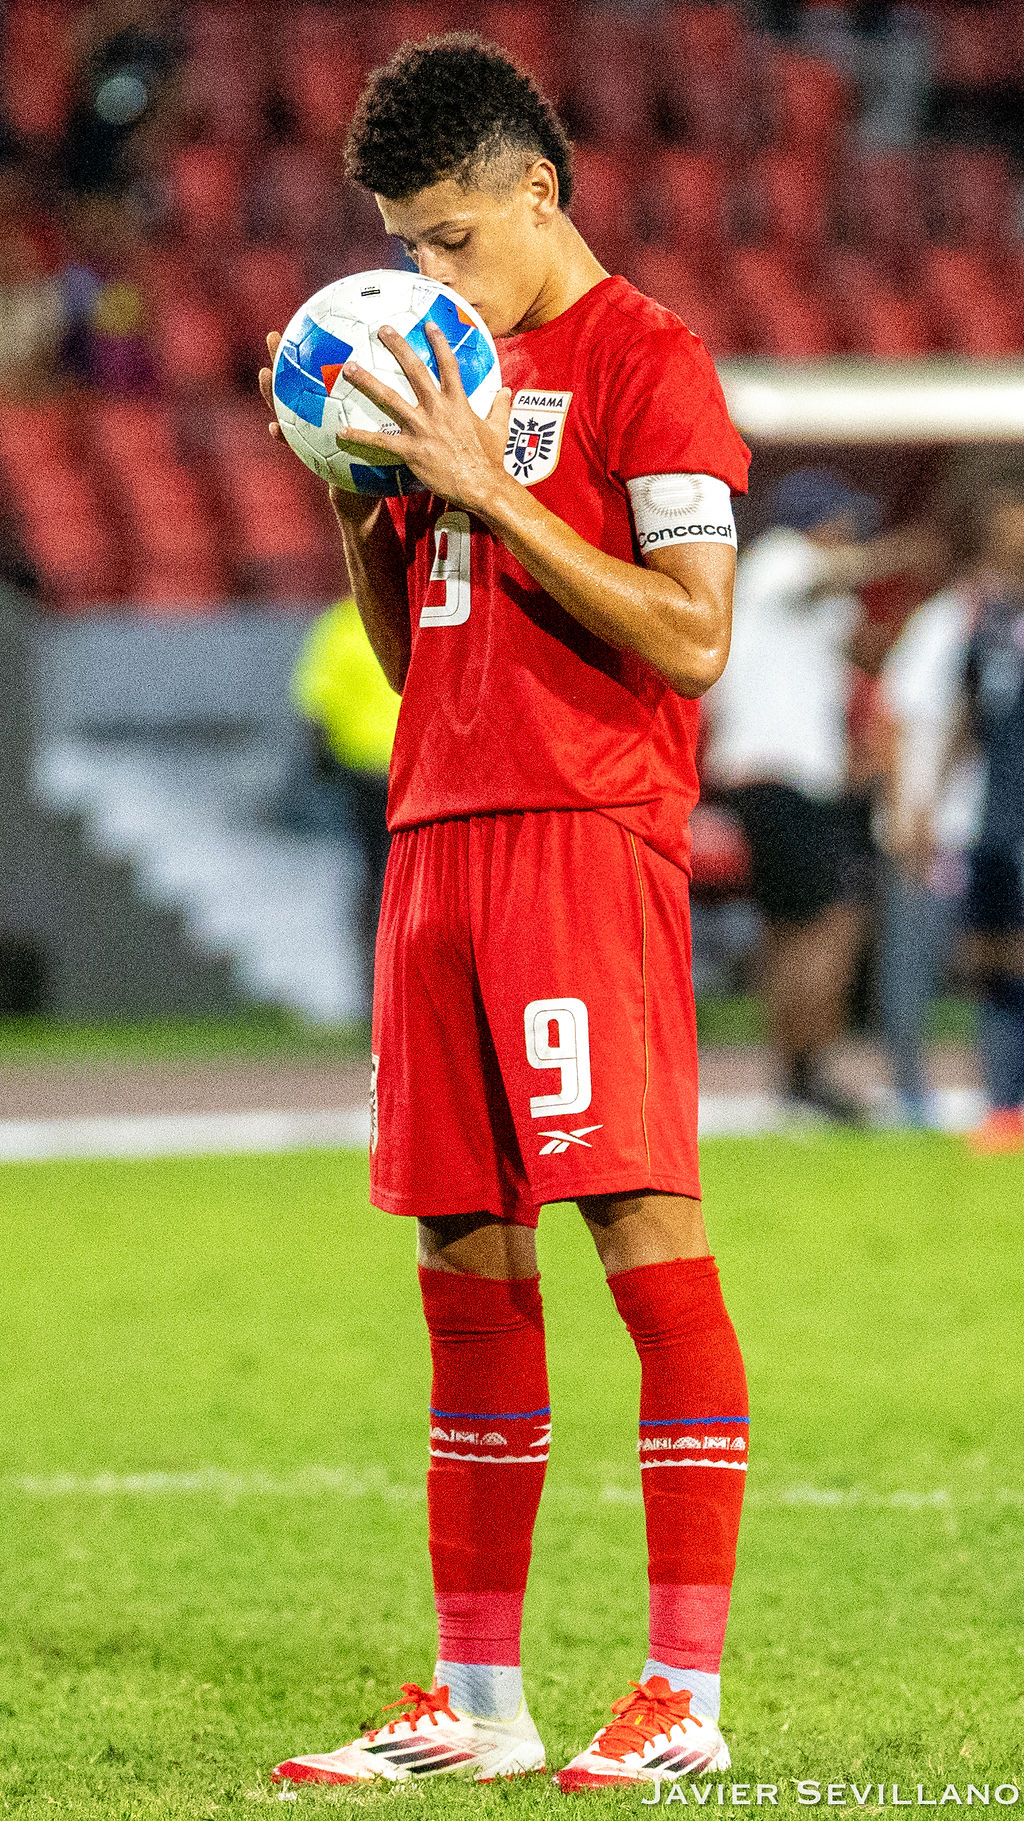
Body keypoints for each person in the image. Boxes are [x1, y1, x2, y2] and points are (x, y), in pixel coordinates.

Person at [259, 33, 751, 1793]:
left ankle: (678, 1696)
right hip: (436, 839)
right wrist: (361, 511)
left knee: (639, 1235)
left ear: (537, 188)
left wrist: (487, 487)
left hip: (581, 836)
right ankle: (478, 1705)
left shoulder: (651, 367)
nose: (422, 274)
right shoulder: (435, 371)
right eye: (402, 242)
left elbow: (690, 638)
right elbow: (415, 669)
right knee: (461, 1268)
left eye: (450, 236)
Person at [702, 467, 934, 1122]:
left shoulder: (806, 594)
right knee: (824, 924)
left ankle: (797, 1071)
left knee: (792, 928)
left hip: (780, 774)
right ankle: (809, 1067)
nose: (852, 532)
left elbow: (861, 649)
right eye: (843, 521)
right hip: (782, 772)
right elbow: (831, 577)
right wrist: (899, 555)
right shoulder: (780, 560)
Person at [874, 583, 982, 1126]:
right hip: (935, 831)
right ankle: (909, 1090)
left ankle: (998, 1088)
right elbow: (893, 718)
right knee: (913, 961)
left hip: (984, 828)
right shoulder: (943, 623)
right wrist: (907, 812)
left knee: (994, 964)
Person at [957, 475, 1024, 1153]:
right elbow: (967, 713)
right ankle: (1004, 1104)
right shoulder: (987, 619)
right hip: (996, 817)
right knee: (994, 957)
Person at [290, 596, 399, 1009]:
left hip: (373, 772)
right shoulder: (413, 611)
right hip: (393, 773)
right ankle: (377, 989)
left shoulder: (339, 626)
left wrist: (320, 762)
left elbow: (314, 704)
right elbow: (315, 705)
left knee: (374, 881)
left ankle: (373, 991)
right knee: (385, 881)